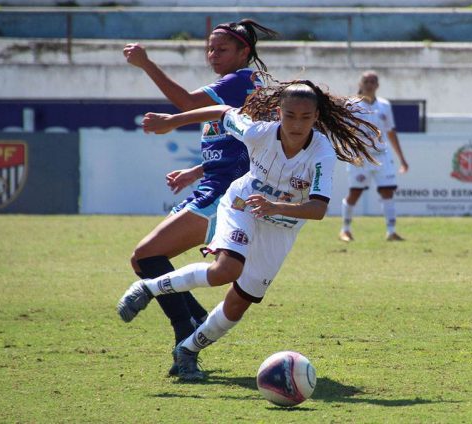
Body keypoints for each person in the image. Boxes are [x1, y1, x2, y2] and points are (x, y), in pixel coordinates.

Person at [117, 77, 382, 380]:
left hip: (281, 226)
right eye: (290, 115)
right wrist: (173, 120)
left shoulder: (322, 153)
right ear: (278, 113)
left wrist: (275, 207)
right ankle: (148, 288)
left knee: (238, 304)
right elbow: (222, 111)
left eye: (306, 117)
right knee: (224, 271)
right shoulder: (258, 132)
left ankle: (188, 351)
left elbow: (318, 209)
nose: (297, 124)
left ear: (316, 117)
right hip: (242, 204)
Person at [121, 19, 278, 376]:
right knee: (143, 261)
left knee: (146, 257)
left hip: (223, 199)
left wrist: (147, 64)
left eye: (222, 49)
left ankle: (186, 335)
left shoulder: (239, 82)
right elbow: (242, 144)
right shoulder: (241, 86)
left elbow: (185, 102)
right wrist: (197, 170)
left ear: (245, 52)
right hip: (213, 188)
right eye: (210, 48)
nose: (213, 55)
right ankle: (192, 323)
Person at [338, 70, 409, 242]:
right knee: (355, 193)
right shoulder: (352, 105)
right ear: (360, 84)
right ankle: (345, 230)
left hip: (382, 156)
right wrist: (348, 152)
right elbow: (345, 131)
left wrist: (402, 159)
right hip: (360, 157)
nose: (369, 84)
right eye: (366, 81)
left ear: (377, 85)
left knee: (388, 192)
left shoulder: (384, 105)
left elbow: (390, 131)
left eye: (373, 81)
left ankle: (391, 231)